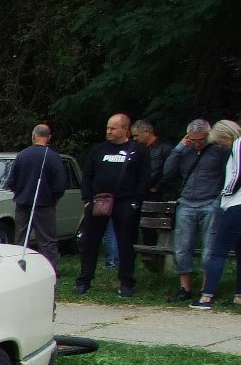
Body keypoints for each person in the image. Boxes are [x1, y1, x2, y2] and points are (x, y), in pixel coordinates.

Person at [76, 112, 150, 297]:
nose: (109, 131)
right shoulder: (98, 149)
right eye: (107, 128)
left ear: (125, 129)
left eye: (113, 128)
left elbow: (144, 177)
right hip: (98, 201)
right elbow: (87, 175)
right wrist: (87, 200)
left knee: (125, 243)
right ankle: (84, 281)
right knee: (89, 242)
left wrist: (136, 202)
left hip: (125, 203)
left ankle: (126, 282)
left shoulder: (138, 151)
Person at [161, 119, 228, 302]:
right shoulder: (184, 150)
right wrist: (179, 148)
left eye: (202, 139)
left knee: (209, 249)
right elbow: (167, 172)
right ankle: (185, 288)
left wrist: (220, 199)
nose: (198, 143)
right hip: (187, 203)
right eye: (193, 139)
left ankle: (207, 289)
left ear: (209, 135)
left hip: (210, 202)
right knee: (182, 248)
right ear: (188, 136)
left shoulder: (219, 151)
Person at [189, 120, 241, 310]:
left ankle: (207, 296)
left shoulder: (238, 144)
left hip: (236, 204)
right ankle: (239, 295)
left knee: (219, 250)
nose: (221, 146)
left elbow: (237, 174)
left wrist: (225, 193)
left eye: (220, 141)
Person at [4, 123, 68, 270]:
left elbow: (11, 182)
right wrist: (54, 200)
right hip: (45, 205)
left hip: (22, 203)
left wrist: (19, 193)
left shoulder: (22, 155)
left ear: (33, 136)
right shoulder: (53, 157)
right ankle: (50, 270)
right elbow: (59, 185)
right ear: (49, 138)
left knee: (21, 238)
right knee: (47, 241)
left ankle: (19, 268)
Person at [132, 118, 175, 247]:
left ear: (146, 132)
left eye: (136, 135)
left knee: (149, 224)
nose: (134, 139)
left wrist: (158, 186)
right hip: (140, 191)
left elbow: (171, 171)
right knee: (135, 221)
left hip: (155, 193)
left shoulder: (165, 148)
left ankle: (150, 250)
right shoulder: (138, 149)